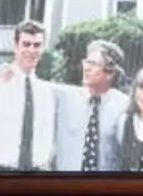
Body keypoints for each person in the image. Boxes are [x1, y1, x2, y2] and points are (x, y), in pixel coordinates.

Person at [0, 17, 59, 173]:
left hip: (35, 174)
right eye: (26, 44)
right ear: (15, 46)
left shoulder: (46, 92)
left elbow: (47, 138)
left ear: (43, 48)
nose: (31, 50)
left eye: (37, 45)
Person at [55, 40, 129, 173]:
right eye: (87, 62)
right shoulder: (65, 97)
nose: (86, 68)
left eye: (93, 64)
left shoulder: (124, 106)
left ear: (110, 73)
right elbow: (36, 86)